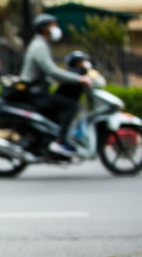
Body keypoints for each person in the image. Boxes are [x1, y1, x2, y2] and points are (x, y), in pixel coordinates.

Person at [20, 14, 93, 157]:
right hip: (36, 93)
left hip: (37, 91)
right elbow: (51, 70)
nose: (56, 28)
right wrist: (78, 78)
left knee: (61, 100)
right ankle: (60, 141)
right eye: (53, 25)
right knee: (71, 105)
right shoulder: (39, 46)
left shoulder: (41, 44)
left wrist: (60, 80)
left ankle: (52, 137)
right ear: (44, 28)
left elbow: (46, 72)